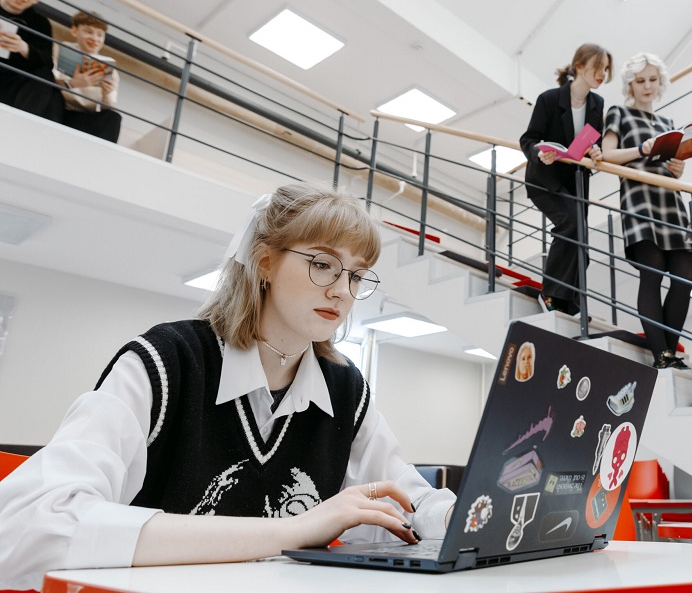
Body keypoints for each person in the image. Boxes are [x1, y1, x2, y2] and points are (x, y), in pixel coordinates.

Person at [0, 184, 455, 590]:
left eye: (355, 275)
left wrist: (457, 517)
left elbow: (406, 501)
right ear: (265, 261)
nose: (342, 291)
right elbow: (27, 526)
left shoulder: (346, 389)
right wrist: (293, 531)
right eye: (323, 265)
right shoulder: (165, 361)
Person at [600, 53, 692, 369]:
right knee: (652, 272)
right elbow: (607, 156)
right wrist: (641, 149)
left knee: (686, 277)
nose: (647, 86)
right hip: (639, 198)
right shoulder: (619, 113)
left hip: (670, 201)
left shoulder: (667, 123)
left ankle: (668, 351)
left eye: (653, 80)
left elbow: (672, 167)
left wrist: (677, 169)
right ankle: (663, 355)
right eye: (640, 81)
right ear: (630, 83)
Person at [520, 43, 611, 316]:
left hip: (575, 184)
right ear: (579, 66)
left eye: (606, 69)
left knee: (581, 241)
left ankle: (571, 304)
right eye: (598, 67)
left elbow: (592, 142)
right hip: (544, 180)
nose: (603, 74)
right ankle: (550, 294)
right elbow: (528, 139)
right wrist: (540, 153)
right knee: (571, 224)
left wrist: (596, 151)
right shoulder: (549, 99)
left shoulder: (597, 104)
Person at [0, 0, 63, 122]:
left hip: (11, 82)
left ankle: (20, 123)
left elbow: (47, 63)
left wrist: (24, 48)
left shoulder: (40, 23)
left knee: (45, 76)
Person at [53, 10, 122, 142]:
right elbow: (47, 80)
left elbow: (109, 106)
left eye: (100, 35)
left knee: (113, 117)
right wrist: (74, 83)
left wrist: (106, 94)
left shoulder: (110, 69)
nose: (94, 38)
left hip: (85, 115)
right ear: (75, 31)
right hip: (59, 107)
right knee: (51, 96)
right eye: (88, 32)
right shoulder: (60, 49)